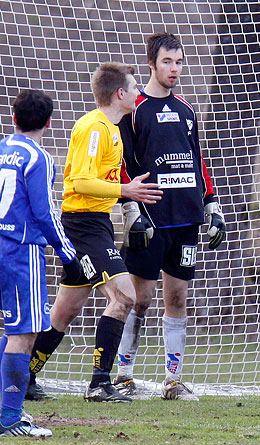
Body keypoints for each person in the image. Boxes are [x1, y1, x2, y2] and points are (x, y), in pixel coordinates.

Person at [26, 62, 163, 403]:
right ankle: (100, 383)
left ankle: (22, 376)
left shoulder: (113, 129)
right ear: (120, 94)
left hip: (95, 223)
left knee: (65, 310)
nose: (138, 93)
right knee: (125, 296)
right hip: (83, 226)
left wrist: (129, 203)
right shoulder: (95, 129)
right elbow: (82, 182)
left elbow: (107, 181)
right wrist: (126, 193)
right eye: (134, 88)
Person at [114, 32, 225, 401]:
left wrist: (211, 203)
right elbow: (124, 164)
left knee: (177, 298)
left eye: (179, 62)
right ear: (151, 63)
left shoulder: (187, 110)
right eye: (167, 62)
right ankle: (123, 375)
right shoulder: (134, 108)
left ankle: (173, 380)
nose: (174, 69)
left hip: (185, 218)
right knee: (138, 298)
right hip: (148, 219)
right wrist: (131, 209)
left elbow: (198, 161)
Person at [0, 90, 82, 436]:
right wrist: (68, 254)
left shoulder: (3, 149)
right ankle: (10, 418)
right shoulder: (39, 158)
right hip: (20, 252)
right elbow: (44, 214)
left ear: (14, 117)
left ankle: (6, 411)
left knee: (9, 331)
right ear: (48, 122)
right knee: (24, 333)